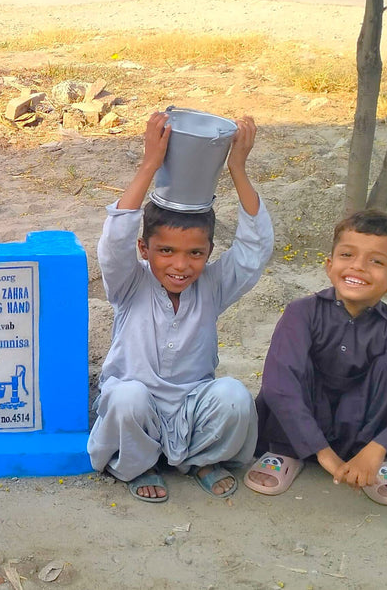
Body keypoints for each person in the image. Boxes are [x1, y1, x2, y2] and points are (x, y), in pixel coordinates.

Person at [87, 111, 274, 503]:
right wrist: (150, 164)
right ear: (145, 249)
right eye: (165, 251)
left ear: (209, 253)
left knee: (235, 397)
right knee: (126, 399)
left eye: (195, 253)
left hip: (193, 405)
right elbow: (113, 241)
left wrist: (237, 169)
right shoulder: (129, 282)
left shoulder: (213, 285)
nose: (180, 265)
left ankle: (202, 459)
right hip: (138, 407)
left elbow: (254, 250)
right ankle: (139, 465)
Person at [245, 210, 387, 505]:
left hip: (358, 428)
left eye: (376, 261)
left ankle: (374, 460)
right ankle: (286, 452)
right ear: (329, 265)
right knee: (289, 370)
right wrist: (325, 456)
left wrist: (380, 446)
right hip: (294, 426)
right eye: (347, 255)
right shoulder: (301, 313)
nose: (358, 267)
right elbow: (279, 386)